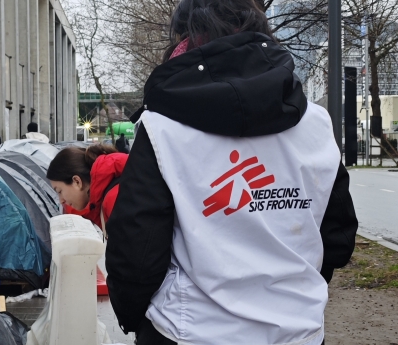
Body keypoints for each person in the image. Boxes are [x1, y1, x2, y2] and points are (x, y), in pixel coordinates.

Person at [103, 0, 359, 344]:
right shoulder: (315, 122)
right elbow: (338, 236)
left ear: (185, 41)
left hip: (190, 330)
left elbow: (137, 248)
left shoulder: (163, 127)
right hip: (298, 332)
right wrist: (292, 296)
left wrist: (135, 318)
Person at [46, 144, 127, 230]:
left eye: (59, 191)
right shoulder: (107, 197)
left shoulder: (115, 200)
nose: (61, 201)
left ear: (77, 181)